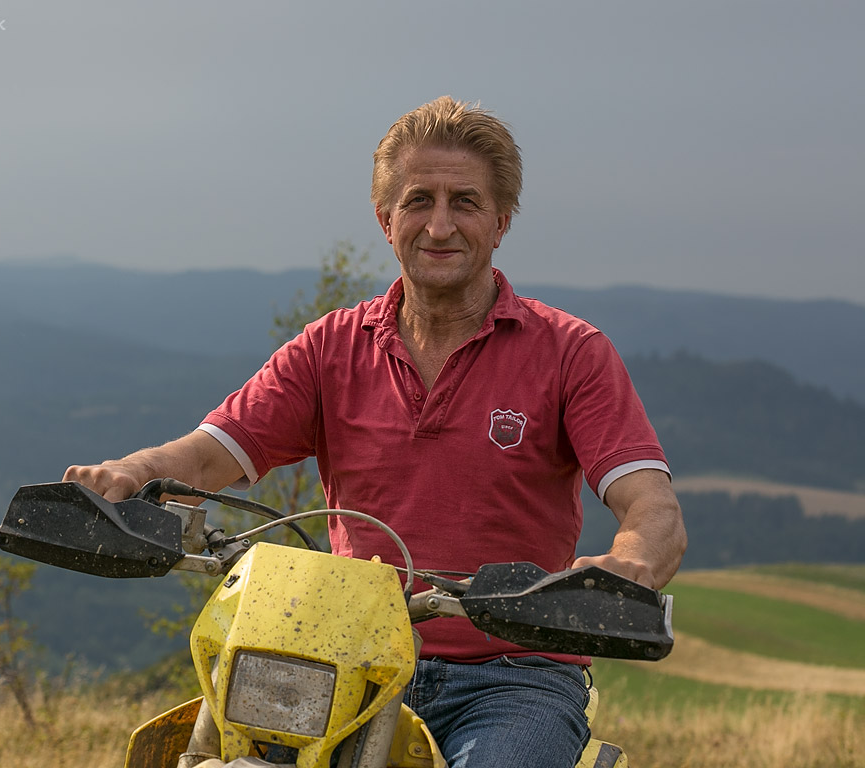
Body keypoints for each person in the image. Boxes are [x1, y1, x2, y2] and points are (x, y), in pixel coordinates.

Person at [65, 96, 687, 767]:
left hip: (514, 677)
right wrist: (135, 471)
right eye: (419, 201)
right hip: (346, 659)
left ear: (501, 222)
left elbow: (653, 509)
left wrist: (629, 564)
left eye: (465, 202)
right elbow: (210, 453)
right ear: (386, 219)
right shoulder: (330, 347)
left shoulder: (571, 353)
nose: (440, 225)